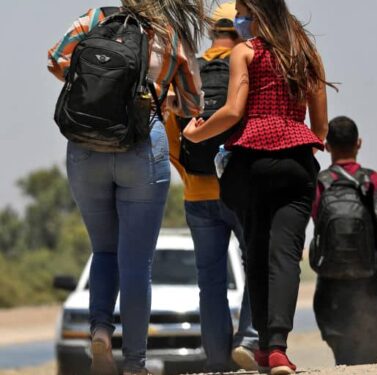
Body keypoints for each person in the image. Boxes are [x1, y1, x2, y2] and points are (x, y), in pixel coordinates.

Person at [47, 1, 207, 374]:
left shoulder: (96, 18)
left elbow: (56, 59)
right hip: (142, 143)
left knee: (103, 251)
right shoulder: (170, 34)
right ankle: (134, 363)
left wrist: (98, 91)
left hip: (86, 142)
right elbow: (192, 102)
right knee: (136, 263)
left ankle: (100, 331)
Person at [182, 1, 333, 373]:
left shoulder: (245, 52)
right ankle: (277, 347)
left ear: (259, 14)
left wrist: (197, 132)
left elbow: (234, 112)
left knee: (257, 252)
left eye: (245, 11)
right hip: (296, 163)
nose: (240, 19)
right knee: (285, 256)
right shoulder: (306, 54)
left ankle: (265, 346)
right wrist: (296, 139)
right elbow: (321, 126)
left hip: (251, 164)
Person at [164, 2, 259, 371]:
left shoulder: (192, 72)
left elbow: (173, 137)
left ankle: (218, 360)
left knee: (211, 281)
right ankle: (249, 341)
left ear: (213, 32)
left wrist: (189, 175)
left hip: (198, 193)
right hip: (240, 190)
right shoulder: (249, 68)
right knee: (255, 267)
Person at [311, 116, 377, 365]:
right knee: (373, 351)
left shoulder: (318, 185)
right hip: (373, 279)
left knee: (344, 356)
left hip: (331, 281)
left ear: (327, 146)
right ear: (359, 144)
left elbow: (315, 221)